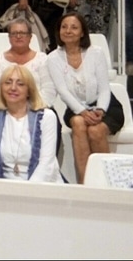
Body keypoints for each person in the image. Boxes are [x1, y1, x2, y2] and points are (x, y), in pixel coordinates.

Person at [47, 12, 124, 184]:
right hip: (76, 108)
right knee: (78, 123)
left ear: (82, 32)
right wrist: (82, 111)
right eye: (64, 27)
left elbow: (104, 88)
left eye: (74, 27)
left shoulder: (95, 53)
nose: (68, 31)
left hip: (106, 106)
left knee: (96, 131)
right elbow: (62, 91)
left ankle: (107, 182)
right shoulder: (53, 58)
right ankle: (84, 183)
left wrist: (100, 110)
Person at [0, 65, 63, 183]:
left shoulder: (46, 117)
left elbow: (46, 164)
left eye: (20, 84)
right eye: (8, 83)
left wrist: (26, 193)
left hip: (40, 187)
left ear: (29, 90)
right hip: (3, 186)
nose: (13, 88)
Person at [0, 18, 56, 108]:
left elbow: (49, 90)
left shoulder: (43, 60)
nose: (18, 36)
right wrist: (8, 106)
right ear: (9, 37)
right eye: (14, 33)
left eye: (22, 33)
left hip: (38, 107)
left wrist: (28, 107)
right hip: (3, 107)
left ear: (30, 37)